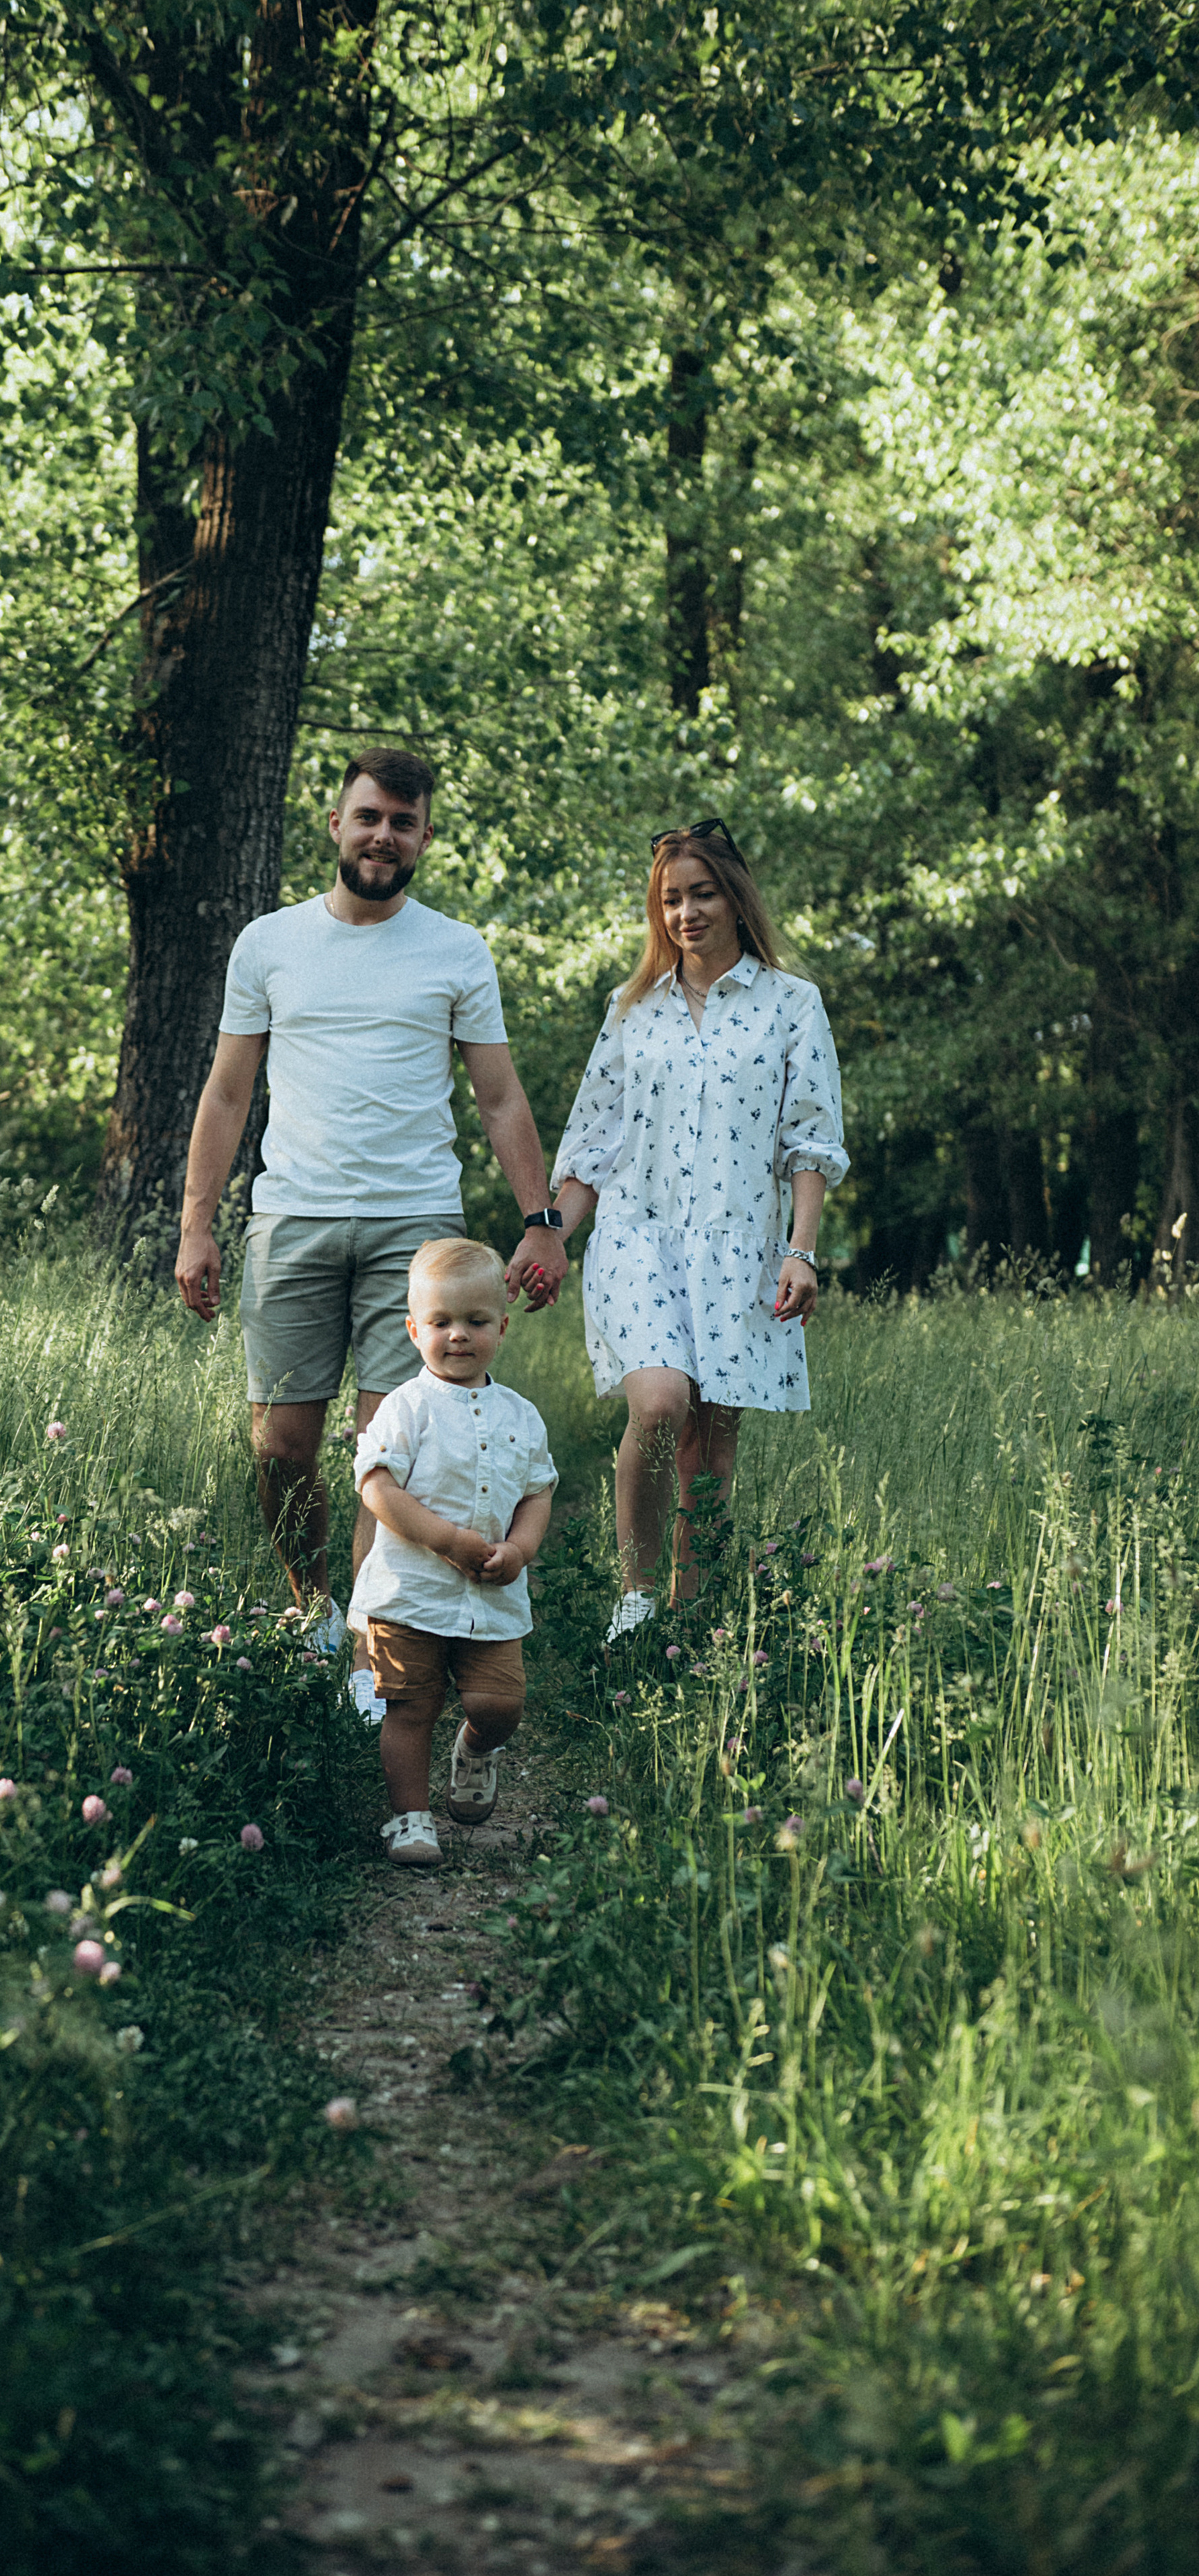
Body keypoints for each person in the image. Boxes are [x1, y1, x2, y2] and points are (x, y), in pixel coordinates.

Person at [174, 748, 569, 1675]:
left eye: (402, 822)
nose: (383, 835)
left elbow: (500, 1098)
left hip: (415, 1229)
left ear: (424, 836)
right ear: (337, 824)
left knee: (385, 1447)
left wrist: (541, 1219)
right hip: (291, 1220)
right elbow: (227, 1093)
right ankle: (311, 1604)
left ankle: (368, 1649)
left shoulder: (456, 949)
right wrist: (198, 1222)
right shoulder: (268, 943)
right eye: (368, 817)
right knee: (280, 1448)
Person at [539, 819, 847, 1639]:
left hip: (740, 1245)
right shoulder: (632, 1007)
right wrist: (551, 1237)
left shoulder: (792, 1004)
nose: (685, 913)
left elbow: (809, 1140)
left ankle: (688, 1619)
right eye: (670, 899)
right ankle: (636, 1601)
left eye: (702, 894)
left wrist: (802, 1252)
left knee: (708, 1453)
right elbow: (592, 1143)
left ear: (736, 899)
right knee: (660, 1403)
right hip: (637, 1235)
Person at [351, 1237, 557, 1867]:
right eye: (441, 1321)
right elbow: (377, 1487)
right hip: (410, 1590)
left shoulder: (521, 1414)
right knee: (411, 1706)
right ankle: (410, 1818)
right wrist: (444, 1539)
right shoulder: (406, 1407)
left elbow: (537, 1491)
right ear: (414, 1330)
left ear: (502, 1327)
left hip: (491, 1594)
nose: (458, 1335)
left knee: (499, 1703)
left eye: (475, 1321)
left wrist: (520, 1548)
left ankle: (475, 1746)